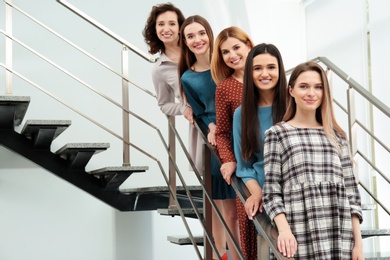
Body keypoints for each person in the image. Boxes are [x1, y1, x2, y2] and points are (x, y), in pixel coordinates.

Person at [262, 61, 364, 259]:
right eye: (304, 86)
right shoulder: (277, 134)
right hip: (299, 232)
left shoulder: (338, 137)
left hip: (340, 235)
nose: (311, 93)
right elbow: (271, 191)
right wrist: (284, 230)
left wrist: (358, 244)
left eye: (318, 87)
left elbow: (351, 193)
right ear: (291, 91)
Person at [178, 15, 237, 260]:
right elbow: (200, 112)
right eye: (190, 36)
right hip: (217, 140)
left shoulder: (226, 61)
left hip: (241, 130)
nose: (197, 39)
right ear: (185, 41)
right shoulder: (187, 78)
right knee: (228, 209)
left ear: (209, 33)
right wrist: (212, 126)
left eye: (201, 33)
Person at [210, 26, 257, 260]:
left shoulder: (269, 77)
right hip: (246, 167)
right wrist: (228, 159)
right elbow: (223, 133)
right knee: (249, 226)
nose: (232, 55)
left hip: (277, 163)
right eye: (225, 52)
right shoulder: (224, 88)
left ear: (249, 45)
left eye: (236, 47)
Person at [142, 3, 203, 174]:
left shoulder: (197, 47)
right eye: (161, 24)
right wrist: (184, 108)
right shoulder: (159, 69)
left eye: (172, 23)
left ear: (179, 27)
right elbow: (164, 104)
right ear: (155, 29)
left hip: (224, 113)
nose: (166, 29)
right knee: (213, 186)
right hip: (200, 122)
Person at [232, 43, 287, 227]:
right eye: (257, 68)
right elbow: (244, 167)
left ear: (280, 70)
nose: (265, 74)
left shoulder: (294, 106)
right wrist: (256, 193)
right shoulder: (242, 114)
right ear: (249, 73)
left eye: (271, 67)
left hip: (299, 191)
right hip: (267, 194)